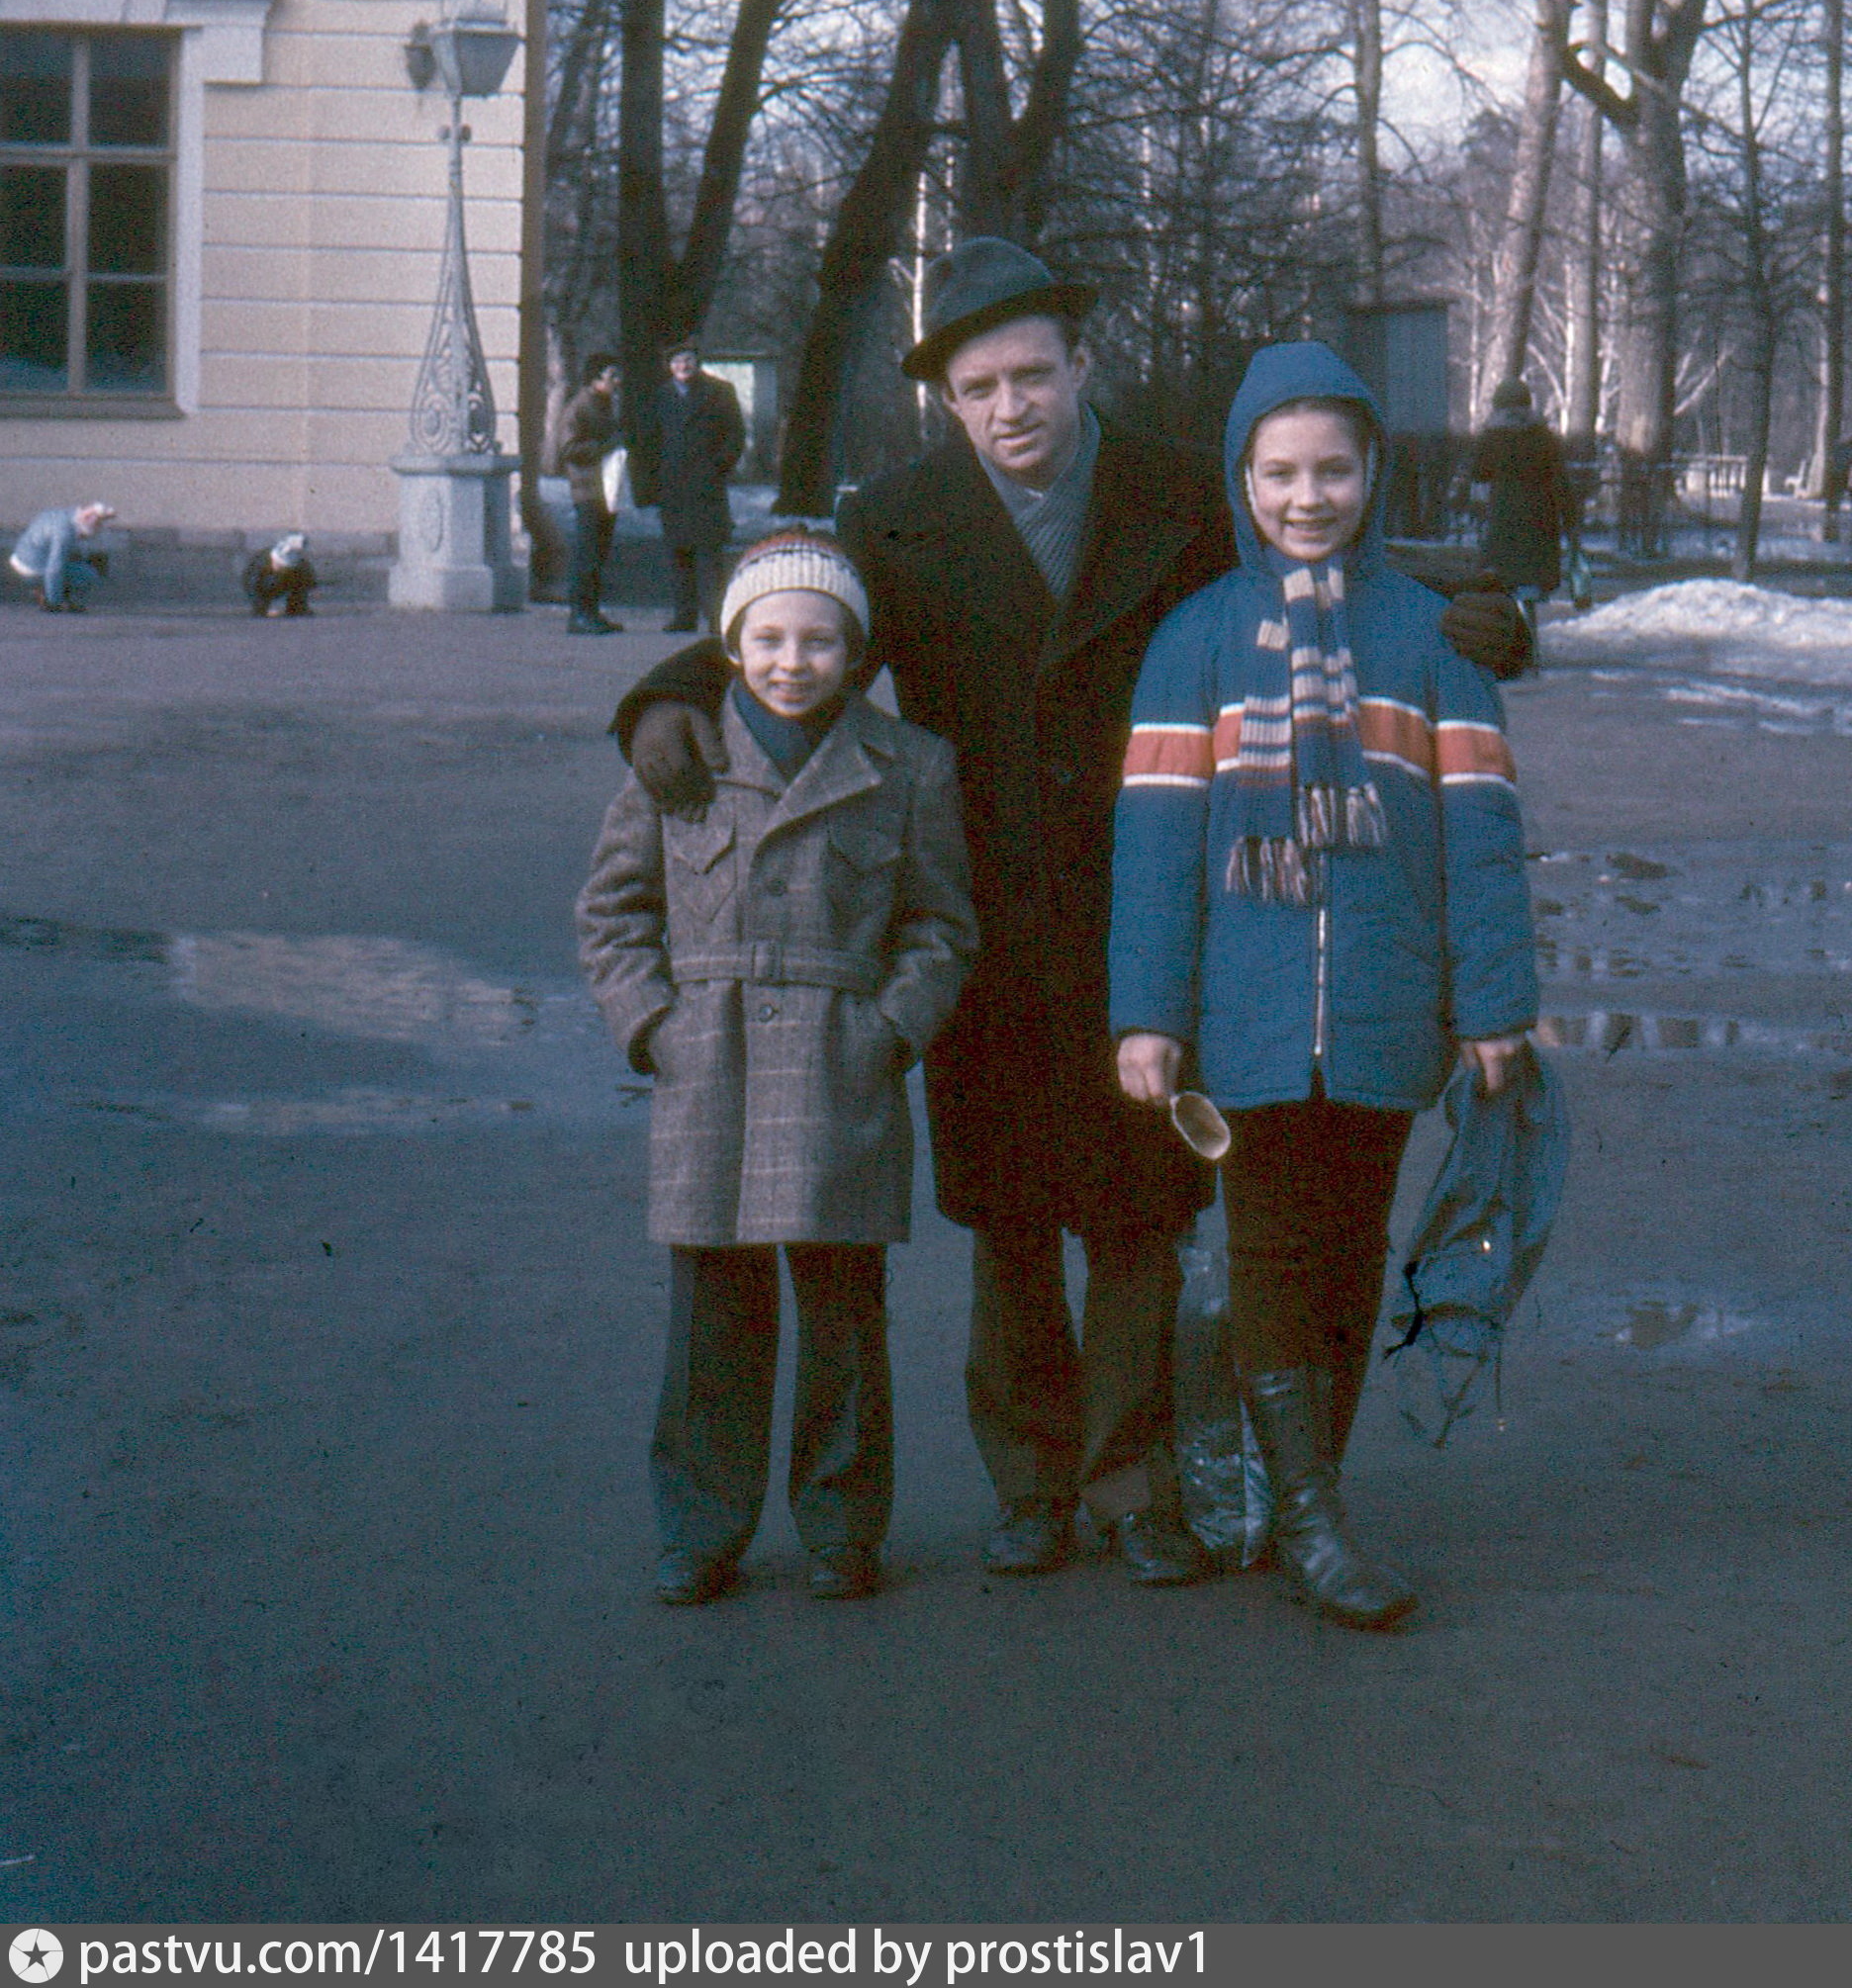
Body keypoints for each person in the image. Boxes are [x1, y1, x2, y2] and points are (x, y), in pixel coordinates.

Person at [612, 239, 1529, 1589]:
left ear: (1080, 365)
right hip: (981, 913)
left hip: (1153, 904)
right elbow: (798, 619)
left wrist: (1479, 608)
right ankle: (1032, 1482)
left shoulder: (1178, 484)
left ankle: (1134, 1482)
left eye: (1031, 374)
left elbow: (1315, 544)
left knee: (1141, 1216)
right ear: (948, 400)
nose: (1011, 407)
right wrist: (664, 697)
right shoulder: (897, 514)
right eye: (979, 387)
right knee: (1011, 1224)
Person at [1111, 342, 1538, 1631]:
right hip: (1241, 1019)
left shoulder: (1432, 637)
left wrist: (1494, 1003)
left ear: (1373, 473)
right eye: (1281, 471)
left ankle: (1309, 1492)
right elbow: (1155, 846)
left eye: (1334, 469)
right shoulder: (1193, 638)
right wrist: (1147, 1012)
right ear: (1242, 477)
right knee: (1268, 1252)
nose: (1308, 496)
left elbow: (1481, 832)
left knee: (1351, 1258)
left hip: (1383, 1007)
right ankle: (1308, 1520)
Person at [577, 530, 976, 1608]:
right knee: (712, 1315)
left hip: (841, 1068)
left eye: (819, 640)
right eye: (768, 638)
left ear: (856, 653)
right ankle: (700, 1528)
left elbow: (942, 925)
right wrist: (655, 1027)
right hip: (709, 1065)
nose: (792, 661)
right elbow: (612, 912)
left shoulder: (909, 765)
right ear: (732, 645)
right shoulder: (679, 757)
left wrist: (890, 1030)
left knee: (844, 1312)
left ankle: (843, 1527)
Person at [1471, 376, 1578, 634]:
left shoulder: (1492, 436)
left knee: (1504, 578)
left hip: (1505, 516)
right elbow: (1560, 480)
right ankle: (1530, 632)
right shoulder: (1543, 436)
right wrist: (1569, 517)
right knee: (1533, 578)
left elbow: (1479, 473)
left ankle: (1509, 634)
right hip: (1540, 517)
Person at [656, 341, 746, 634]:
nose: (683, 366)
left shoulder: (719, 392)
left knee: (709, 556)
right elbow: (651, 439)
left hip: (706, 485)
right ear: (669, 366)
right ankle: (684, 616)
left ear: (697, 361)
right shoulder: (662, 395)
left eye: (687, 359)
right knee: (678, 553)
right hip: (673, 487)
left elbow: (735, 435)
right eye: (676, 361)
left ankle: (716, 617)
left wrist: (718, 465)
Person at [557, 355, 624, 637]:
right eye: (611, 376)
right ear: (596, 379)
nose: (617, 381)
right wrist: (606, 446)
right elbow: (567, 449)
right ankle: (580, 614)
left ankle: (591, 612)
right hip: (587, 489)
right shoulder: (580, 406)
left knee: (598, 553)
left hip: (605, 488)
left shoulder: (605, 403)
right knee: (587, 554)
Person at [8, 501, 116, 611]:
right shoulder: (64, 533)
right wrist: (54, 602)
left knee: (74, 560)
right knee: (87, 573)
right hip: (32, 568)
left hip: (21, 557)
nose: (81, 539)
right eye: (82, 536)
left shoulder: (60, 515)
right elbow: (55, 568)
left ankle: (48, 590)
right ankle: (62, 599)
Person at [241, 533, 318, 618]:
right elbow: (252, 587)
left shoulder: (300, 566)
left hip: (284, 584)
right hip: (266, 587)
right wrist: (263, 608)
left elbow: (309, 581)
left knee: (298, 583)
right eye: (279, 566)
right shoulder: (258, 566)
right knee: (261, 595)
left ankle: (295, 608)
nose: (281, 570)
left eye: (285, 568)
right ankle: (262, 608)